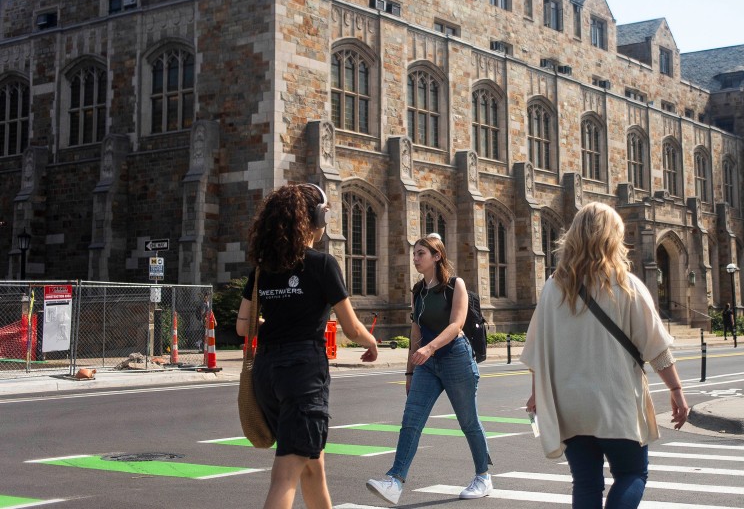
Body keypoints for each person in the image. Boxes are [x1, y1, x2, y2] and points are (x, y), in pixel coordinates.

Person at [521, 202, 690, 509]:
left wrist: (536, 394)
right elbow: (656, 347)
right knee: (631, 473)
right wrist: (676, 391)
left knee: (586, 482)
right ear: (614, 237)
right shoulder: (627, 286)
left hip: (571, 405)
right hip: (616, 403)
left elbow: (538, 350)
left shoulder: (553, 288)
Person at [236, 184, 379, 509]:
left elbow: (242, 325)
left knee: (313, 469)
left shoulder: (263, 270)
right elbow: (351, 327)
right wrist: (370, 341)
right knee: (285, 476)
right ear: (315, 218)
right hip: (303, 375)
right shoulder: (322, 264)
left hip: (267, 374)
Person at [366, 233, 491, 505]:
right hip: (426, 364)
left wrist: (430, 348)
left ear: (437, 256)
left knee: (468, 422)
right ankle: (395, 481)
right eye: (414, 253)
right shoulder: (417, 290)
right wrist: (409, 371)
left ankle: (483, 476)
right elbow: (415, 330)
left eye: (421, 253)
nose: (415, 258)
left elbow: (456, 325)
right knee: (411, 420)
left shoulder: (454, 285)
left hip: (455, 358)